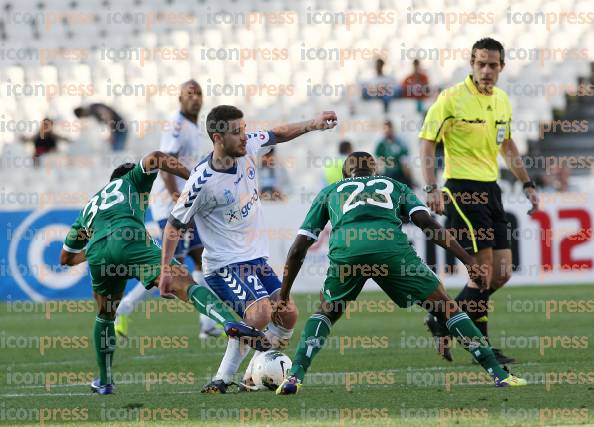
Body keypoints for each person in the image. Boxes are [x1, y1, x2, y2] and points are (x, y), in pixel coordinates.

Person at [272, 152, 527, 395]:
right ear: (375, 170)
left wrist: (284, 295)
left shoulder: (330, 191)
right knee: (448, 308)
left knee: (326, 311)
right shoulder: (392, 184)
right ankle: (499, 374)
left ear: (344, 174)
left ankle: (294, 376)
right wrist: (469, 260)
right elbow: (427, 224)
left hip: (348, 252)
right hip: (390, 250)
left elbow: (297, 249)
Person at [160, 105, 338, 393]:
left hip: (255, 258)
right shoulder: (201, 181)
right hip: (223, 265)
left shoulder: (249, 145)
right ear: (217, 138)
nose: (244, 137)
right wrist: (166, 268)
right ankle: (226, 377)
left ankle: (249, 374)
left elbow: (278, 133)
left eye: (244, 129)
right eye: (236, 132)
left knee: (288, 313)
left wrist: (313, 124)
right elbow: (174, 224)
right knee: (259, 315)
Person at [59, 151, 266, 395]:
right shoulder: (130, 179)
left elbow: (66, 258)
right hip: (130, 238)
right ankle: (228, 322)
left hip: (97, 253)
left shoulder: (88, 208)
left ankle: (104, 382)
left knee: (105, 316)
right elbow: (156, 157)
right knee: (184, 282)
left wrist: (99, 246)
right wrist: (193, 177)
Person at [418, 38, 540, 364]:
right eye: (481, 64)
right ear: (471, 64)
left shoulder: (501, 100)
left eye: (493, 65)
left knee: (501, 273)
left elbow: (508, 146)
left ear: (502, 67)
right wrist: (431, 187)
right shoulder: (452, 99)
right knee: (482, 273)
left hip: (492, 189)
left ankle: (443, 317)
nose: (486, 70)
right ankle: (481, 348)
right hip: (461, 190)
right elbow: (427, 142)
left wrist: (527, 182)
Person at [115, 80, 220, 339]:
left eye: (198, 94)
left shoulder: (194, 125)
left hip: (185, 203)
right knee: (172, 268)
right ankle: (125, 308)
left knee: (200, 258)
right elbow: (164, 164)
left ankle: (207, 325)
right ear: (180, 98)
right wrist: (177, 200)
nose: (195, 98)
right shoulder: (177, 125)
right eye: (190, 94)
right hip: (172, 206)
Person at [374, 120, 414, 187]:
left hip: (399, 173)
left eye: (389, 129)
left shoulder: (400, 143)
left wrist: (409, 177)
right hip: (387, 173)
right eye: (385, 129)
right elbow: (378, 160)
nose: (387, 132)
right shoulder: (381, 144)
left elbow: (405, 162)